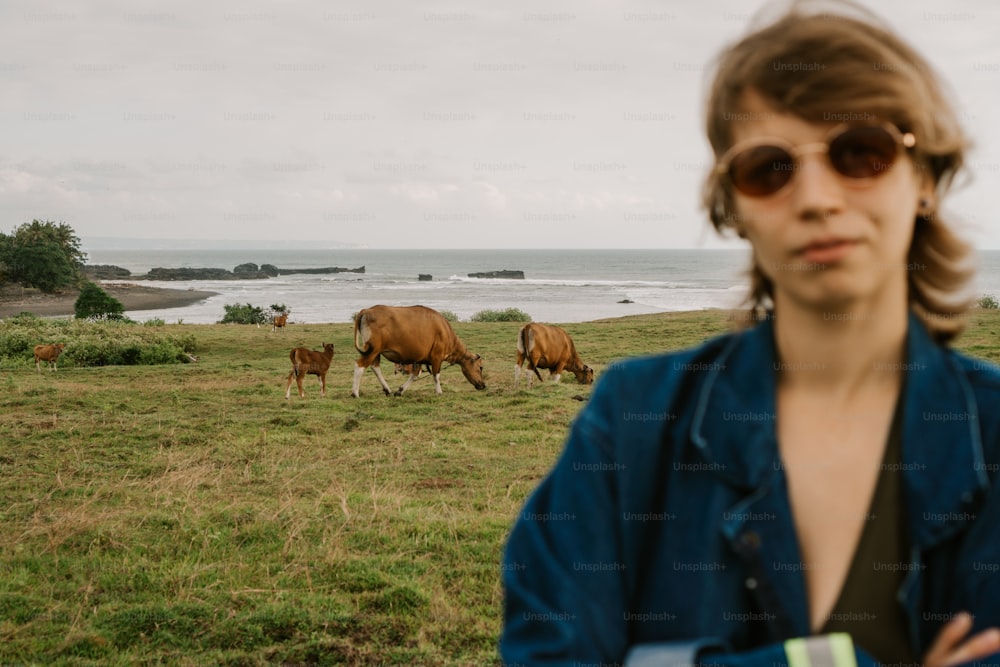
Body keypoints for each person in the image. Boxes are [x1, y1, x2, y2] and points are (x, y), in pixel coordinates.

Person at [500, 1, 1000, 665]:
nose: (817, 197)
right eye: (769, 167)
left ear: (926, 178)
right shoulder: (630, 423)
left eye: (862, 152)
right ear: (732, 206)